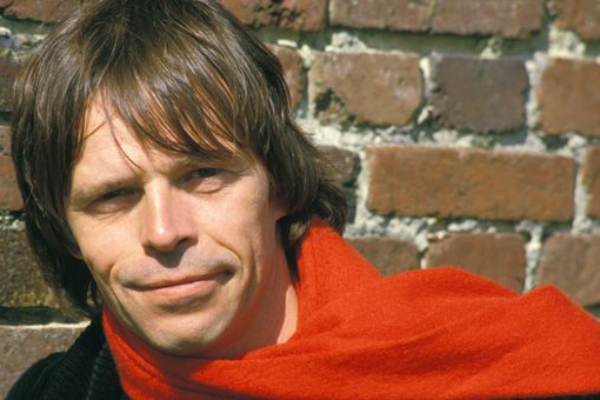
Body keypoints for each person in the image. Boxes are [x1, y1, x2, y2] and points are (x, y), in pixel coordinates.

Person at [7, 0, 600, 398]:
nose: (163, 232)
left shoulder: (494, 370)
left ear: (281, 185)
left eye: (203, 174)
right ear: (66, 229)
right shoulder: (51, 393)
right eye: (112, 196)